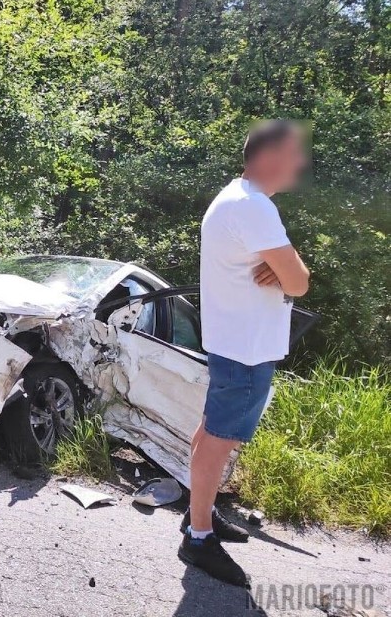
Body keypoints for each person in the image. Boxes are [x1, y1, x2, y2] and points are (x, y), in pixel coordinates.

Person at [178, 120, 311, 586]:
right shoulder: (253, 207)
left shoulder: (235, 198)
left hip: (235, 341)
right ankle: (198, 538)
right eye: (296, 154)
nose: (302, 163)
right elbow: (298, 280)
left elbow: (288, 273)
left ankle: (202, 516)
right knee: (219, 439)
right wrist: (289, 270)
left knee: (210, 431)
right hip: (246, 348)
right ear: (270, 157)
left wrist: (286, 268)